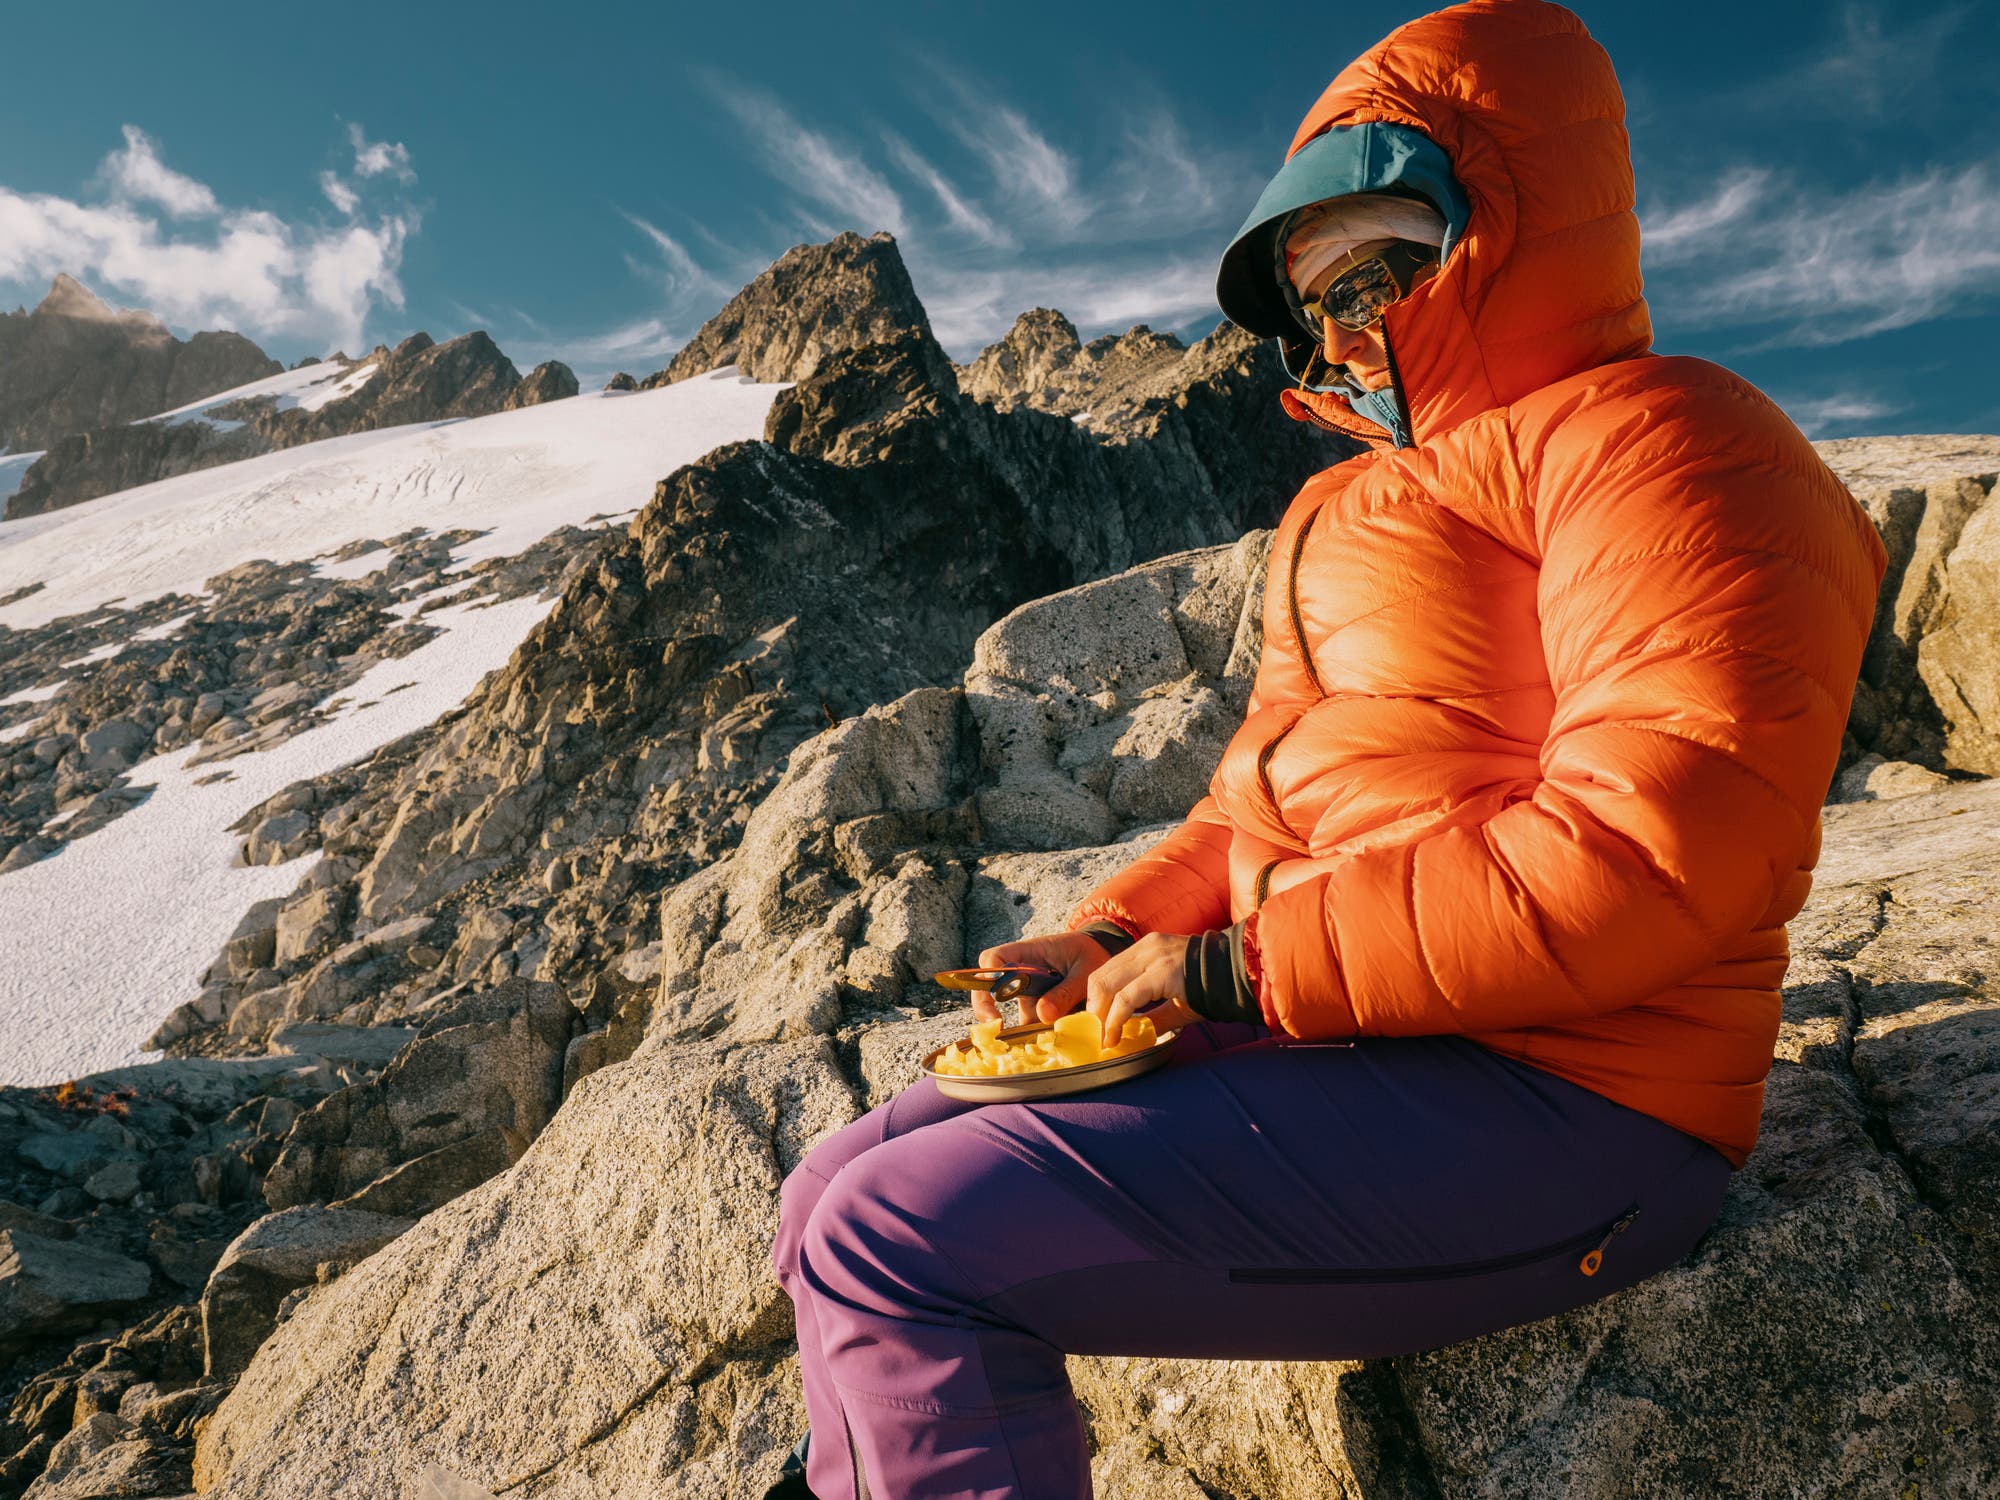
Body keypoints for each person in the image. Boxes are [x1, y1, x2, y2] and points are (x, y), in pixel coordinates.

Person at [766, 1, 1889, 1495]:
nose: (1347, 329)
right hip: (1361, 1035)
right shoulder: (1340, 513)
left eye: (1381, 267)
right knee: (831, 1186)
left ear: (1509, 225)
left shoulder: (1670, 440)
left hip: (1582, 1100)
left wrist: (1241, 973)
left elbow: (1659, 843)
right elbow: (1252, 820)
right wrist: (1104, 939)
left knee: (899, 1234)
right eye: (1318, 299)